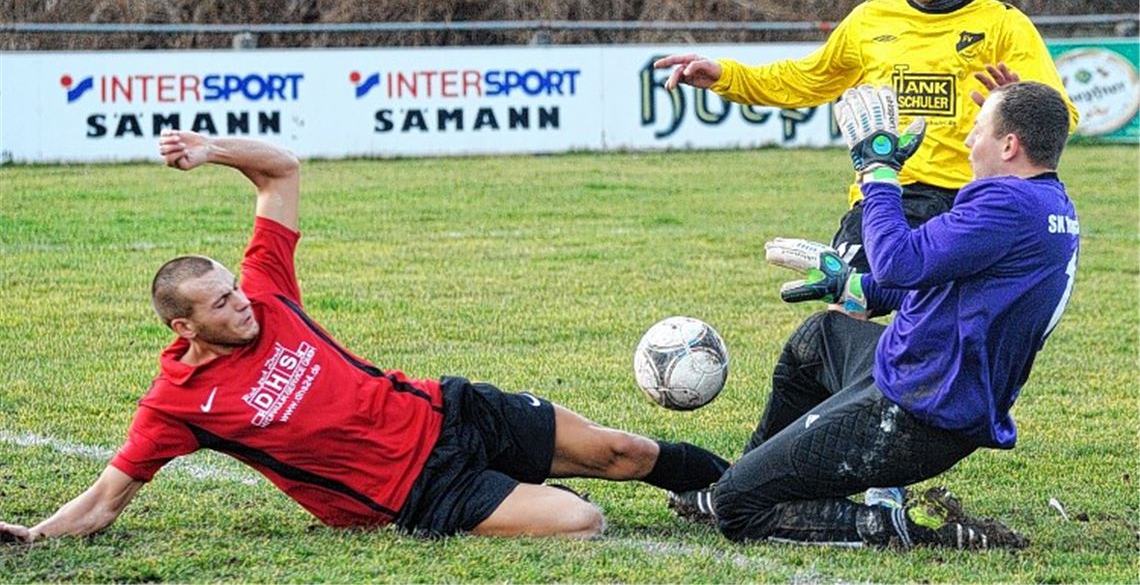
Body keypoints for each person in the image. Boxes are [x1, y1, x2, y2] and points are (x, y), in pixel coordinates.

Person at [0, 129, 729, 544]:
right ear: (184, 326)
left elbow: (280, 171)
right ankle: (518, 493)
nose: (243, 303)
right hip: (418, 489)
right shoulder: (176, 406)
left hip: (448, 410)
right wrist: (35, 536)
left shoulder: (267, 289)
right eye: (223, 302)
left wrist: (210, 152)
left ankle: (755, 484)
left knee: (625, 451)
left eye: (236, 287)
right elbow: (104, 500)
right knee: (581, 521)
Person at [668, 79, 1079, 549]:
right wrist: (853, 285)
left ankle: (888, 528)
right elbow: (946, 286)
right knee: (819, 337)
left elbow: (900, 261)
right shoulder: (1047, 203)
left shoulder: (1007, 203)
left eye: (978, 129)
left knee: (739, 511)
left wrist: (878, 172)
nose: (968, 141)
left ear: (1009, 145)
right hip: (919, 375)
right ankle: (746, 475)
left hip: (917, 410)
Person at [653, 0, 1077, 281]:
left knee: (941, 329)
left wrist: (1018, 103)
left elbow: (1061, 117)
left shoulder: (1004, 25)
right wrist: (726, 76)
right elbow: (807, 79)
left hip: (965, 202)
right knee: (845, 301)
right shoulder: (871, 20)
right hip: (884, 193)